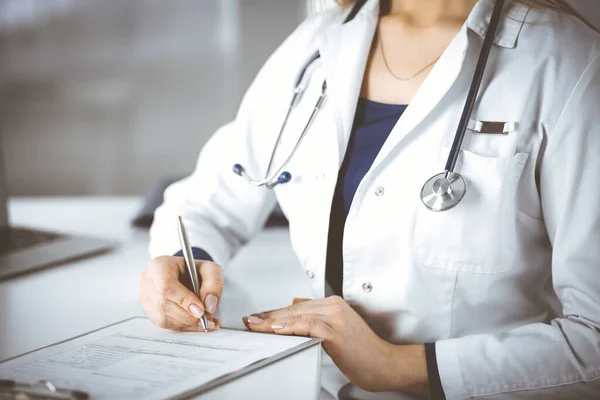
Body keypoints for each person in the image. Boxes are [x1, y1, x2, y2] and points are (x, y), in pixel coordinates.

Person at [138, 0, 600, 398]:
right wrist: (185, 260)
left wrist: (397, 367)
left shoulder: (568, 63)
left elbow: (593, 339)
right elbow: (205, 201)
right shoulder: (318, 43)